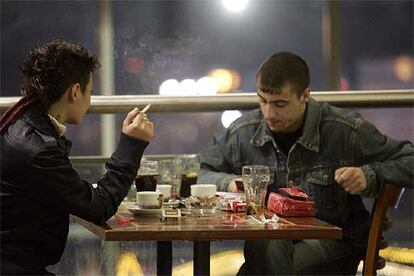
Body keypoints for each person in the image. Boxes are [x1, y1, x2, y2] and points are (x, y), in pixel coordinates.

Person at [198, 52, 413, 275]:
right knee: (266, 242)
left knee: (264, 260)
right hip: (270, 243)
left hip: (335, 246)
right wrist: (230, 183)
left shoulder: (344, 131)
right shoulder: (243, 132)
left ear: (305, 95)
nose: (269, 113)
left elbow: (410, 159)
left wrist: (369, 175)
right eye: (262, 101)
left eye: (280, 104)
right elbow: (198, 171)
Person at [0, 40, 154, 274]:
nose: (90, 101)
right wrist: (132, 145)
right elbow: (98, 207)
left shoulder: (21, 124)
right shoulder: (37, 149)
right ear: (74, 92)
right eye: (90, 92)